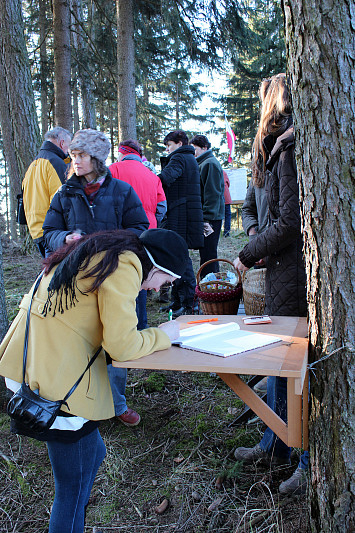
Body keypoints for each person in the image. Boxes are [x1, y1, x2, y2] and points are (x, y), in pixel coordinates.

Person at [0, 228, 189, 533]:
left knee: (94, 453)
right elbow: (122, 346)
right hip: (55, 377)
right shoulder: (125, 266)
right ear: (155, 267)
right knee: (71, 489)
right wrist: (162, 335)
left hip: (36, 358)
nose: (156, 290)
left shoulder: (104, 252)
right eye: (164, 281)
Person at [43, 128, 149, 428]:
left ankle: (116, 404)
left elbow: (140, 228)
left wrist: (106, 242)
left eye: (82, 155)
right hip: (77, 281)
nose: (75, 161)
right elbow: (48, 232)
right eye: (73, 155)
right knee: (82, 342)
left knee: (116, 342)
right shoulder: (64, 194)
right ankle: (83, 403)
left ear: (98, 159)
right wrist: (66, 238)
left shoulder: (122, 191)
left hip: (114, 278)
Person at [233, 73, 308, 496]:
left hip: (292, 274)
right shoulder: (265, 152)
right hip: (271, 267)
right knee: (274, 364)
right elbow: (251, 205)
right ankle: (273, 443)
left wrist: (253, 251)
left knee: (299, 370)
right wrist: (252, 238)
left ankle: (304, 458)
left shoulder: (291, 149)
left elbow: (291, 222)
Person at [109, 139, 167, 329]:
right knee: (140, 276)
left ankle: (122, 327)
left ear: (122, 152)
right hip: (146, 233)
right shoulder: (152, 175)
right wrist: (152, 222)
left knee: (119, 278)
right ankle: (141, 326)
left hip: (119, 232)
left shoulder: (113, 170)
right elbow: (161, 207)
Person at [158, 129, 204, 318]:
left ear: (178, 142)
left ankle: (188, 304)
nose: (168, 150)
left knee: (181, 258)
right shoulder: (189, 158)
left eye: (169, 146)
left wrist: (150, 179)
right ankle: (178, 301)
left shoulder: (179, 158)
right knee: (178, 256)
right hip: (184, 213)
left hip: (179, 215)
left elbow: (166, 178)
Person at [22, 126, 72, 257]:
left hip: (36, 228)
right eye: (68, 145)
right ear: (62, 143)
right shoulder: (55, 163)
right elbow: (63, 199)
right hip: (52, 231)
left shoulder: (33, 164)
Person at [190, 135, 224, 276]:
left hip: (211, 218)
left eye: (195, 149)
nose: (193, 152)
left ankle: (210, 286)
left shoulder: (209, 164)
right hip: (207, 216)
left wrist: (206, 218)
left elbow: (213, 194)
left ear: (204, 147)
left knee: (209, 254)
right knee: (206, 253)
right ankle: (210, 284)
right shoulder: (202, 163)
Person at [223, 170, 232, 237]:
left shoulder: (213, 171)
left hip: (218, 197)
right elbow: (228, 183)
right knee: (227, 215)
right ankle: (226, 232)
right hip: (226, 197)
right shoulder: (223, 172)